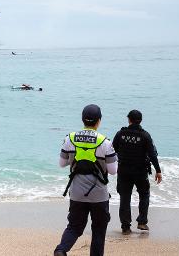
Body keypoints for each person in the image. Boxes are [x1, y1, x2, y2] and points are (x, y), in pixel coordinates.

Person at [54, 104, 118, 256]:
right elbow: (113, 171)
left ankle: (61, 250)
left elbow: (62, 164)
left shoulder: (69, 139)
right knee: (98, 230)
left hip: (76, 193)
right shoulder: (105, 142)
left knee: (74, 227)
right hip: (99, 195)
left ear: (82, 119)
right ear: (99, 121)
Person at [112, 109, 162, 235]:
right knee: (144, 195)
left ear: (129, 119)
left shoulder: (120, 134)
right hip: (140, 171)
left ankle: (125, 227)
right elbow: (152, 154)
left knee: (125, 198)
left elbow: (112, 151)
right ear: (140, 120)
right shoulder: (145, 135)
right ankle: (142, 222)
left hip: (124, 171)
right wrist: (158, 170)